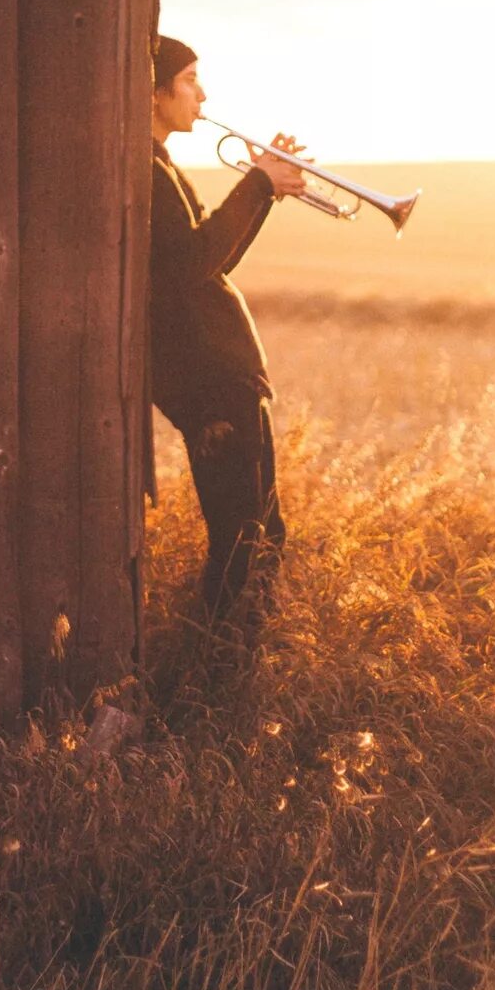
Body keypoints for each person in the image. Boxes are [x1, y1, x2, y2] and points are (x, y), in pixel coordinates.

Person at [148, 33, 309, 644]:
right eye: (190, 79)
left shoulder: (160, 167)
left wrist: (267, 191)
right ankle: (217, 672)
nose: (202, 93)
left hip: (222, 379)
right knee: (245, 542)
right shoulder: (147, 169)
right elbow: (193, 263)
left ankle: (231, 665)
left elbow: (211, 262)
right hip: (209, 382)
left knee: (262, 535)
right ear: (154, 91)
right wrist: (258, 185)